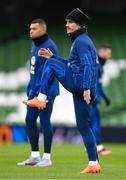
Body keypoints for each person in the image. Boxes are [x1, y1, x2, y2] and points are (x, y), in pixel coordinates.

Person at [24, 8, 101, 174]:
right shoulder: (83, 40)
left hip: (80, 85)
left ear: (79, 24)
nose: (66, 25)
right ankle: (94, 163)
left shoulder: (80, 41)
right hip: (83, 87)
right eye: (66, 22)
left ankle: (41, 98)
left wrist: (86, 88)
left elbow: (88, 65)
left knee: (50, 65)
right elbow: (73, 64)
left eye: (70, 22)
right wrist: (54, 57)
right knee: (83, 126)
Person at [17, 18, 59, 167]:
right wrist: (30, 88)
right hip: (33, 91)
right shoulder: (34, 45)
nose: (31, 31)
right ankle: (34, 156)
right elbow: (34, 70)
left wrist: (43, 94)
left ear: (43, 30)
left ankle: (47, 158)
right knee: (29, 120)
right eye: (30, 29)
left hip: (46, 92)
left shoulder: (49, 47)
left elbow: (52, 71)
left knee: (44, 121)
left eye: (34, 29)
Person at [91, 44, 112, 155]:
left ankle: (90, 147)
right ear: (101, 52)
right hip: (94, 98)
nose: (109, 56)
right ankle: (98, 147)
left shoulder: (98, 65)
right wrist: (104, 97)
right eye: (108, 53)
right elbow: (97, 85)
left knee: (91, 123)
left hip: (92, 96)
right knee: (95, 122)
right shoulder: (97, 65)